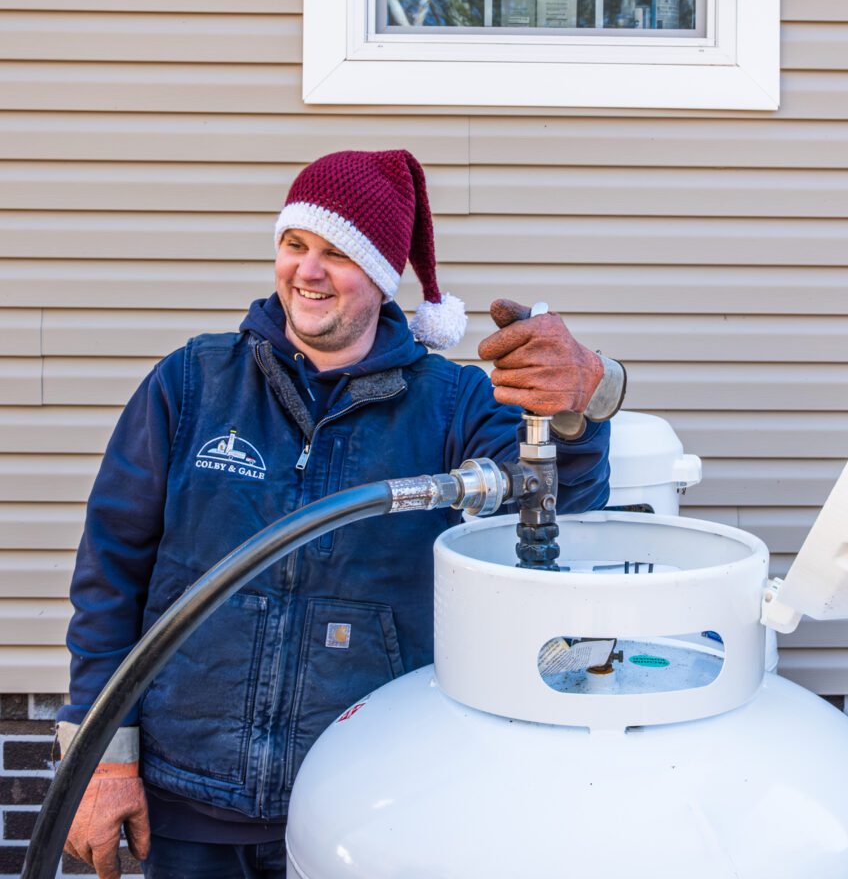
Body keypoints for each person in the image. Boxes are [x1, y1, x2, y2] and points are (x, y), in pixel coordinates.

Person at [56, 150, 623, 879]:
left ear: (383, 277)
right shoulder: (192, 383)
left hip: (370, 798)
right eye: (295, 245)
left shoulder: (451, 406)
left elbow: (557, 511)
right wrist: (100, 759)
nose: (308, 271)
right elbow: (110, 572)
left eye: (338, 254)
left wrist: (588, 400)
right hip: (191, 794)